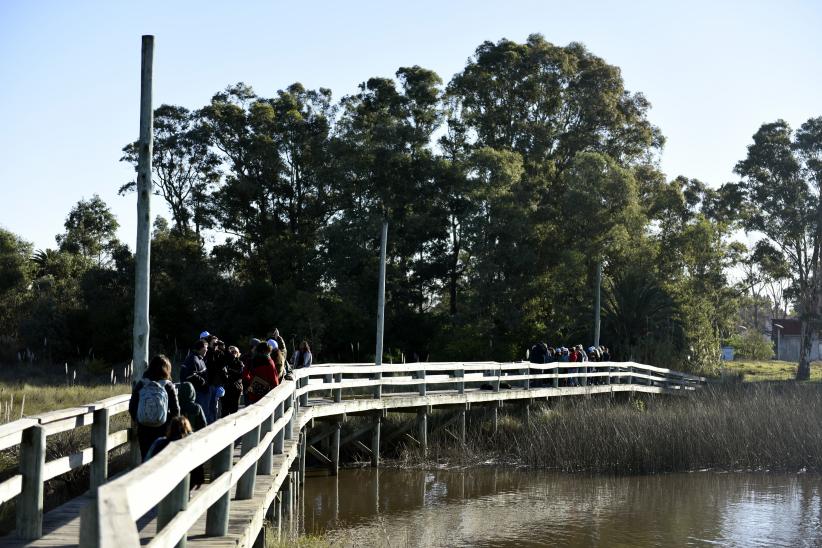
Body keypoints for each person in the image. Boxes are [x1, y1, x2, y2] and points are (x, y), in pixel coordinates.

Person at [129, 354, 180, 459]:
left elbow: (132, 407)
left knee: (145, 458)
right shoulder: (168, 385)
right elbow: (176, 411)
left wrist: (139, 420)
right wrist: (169, 425)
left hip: (144, 429)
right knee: (161, 459)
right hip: (163, 429)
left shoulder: (141, 384)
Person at [145, 416, 205, 487]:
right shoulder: (192, 443)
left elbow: (147, 461)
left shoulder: (159, 443)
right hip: (187, 484)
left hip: (161, 482)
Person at [181, 339, 209, 413]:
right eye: (206, 348)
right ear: (201, 348)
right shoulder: (193, 359)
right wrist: (203, 381)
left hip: (202, 392)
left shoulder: (200, 358)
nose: (207, 350)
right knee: (198, 414)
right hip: (197, 393)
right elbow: (189, 376)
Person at [221, 346, 244, 416]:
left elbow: (240, 374)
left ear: (238, 353)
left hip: (235, 389)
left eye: (235, 352)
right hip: (226, 389)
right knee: (224, 410)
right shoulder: (224, 362)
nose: (233, 353)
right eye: (231, 352)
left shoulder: (240, 363)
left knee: (234, 410)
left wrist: (229, 371)